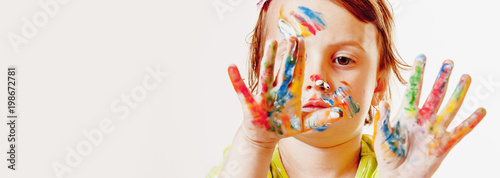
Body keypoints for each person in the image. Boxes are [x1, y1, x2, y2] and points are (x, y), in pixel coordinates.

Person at [209, 0, 487, 177]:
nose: (316, 77)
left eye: (343, 59)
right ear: (262, 68)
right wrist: (255, 143)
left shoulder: (397, 166)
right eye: (295, 56)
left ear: (378, 83)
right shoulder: (244, 163)